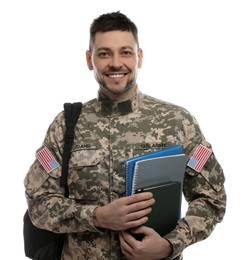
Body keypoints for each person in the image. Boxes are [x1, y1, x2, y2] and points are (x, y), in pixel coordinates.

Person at [24, 11, 226, 260]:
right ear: (90, 60)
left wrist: (168, 245)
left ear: (139, 57)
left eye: (126, 52)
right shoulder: (65, 125)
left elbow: (211, 199)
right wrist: (97, 216)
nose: (116, 63)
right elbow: (38, 202)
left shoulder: (177, 122)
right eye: (104, 53)